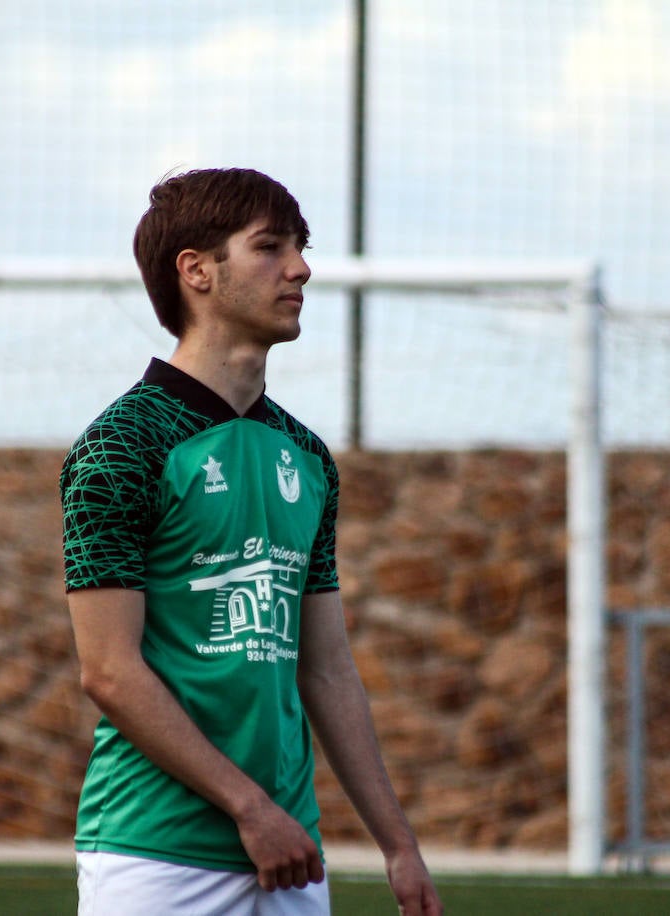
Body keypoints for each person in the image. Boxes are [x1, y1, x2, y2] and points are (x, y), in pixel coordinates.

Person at [60, 167, 442, 916]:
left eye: (301, 247)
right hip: (155, 855)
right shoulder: (120, 448)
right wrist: (249, 808)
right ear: (196, 270)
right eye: (270, 247)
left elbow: (328, 671)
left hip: (291, 854)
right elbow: (108, 671)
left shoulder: (307, 457)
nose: (300, 268)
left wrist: (398, 845)